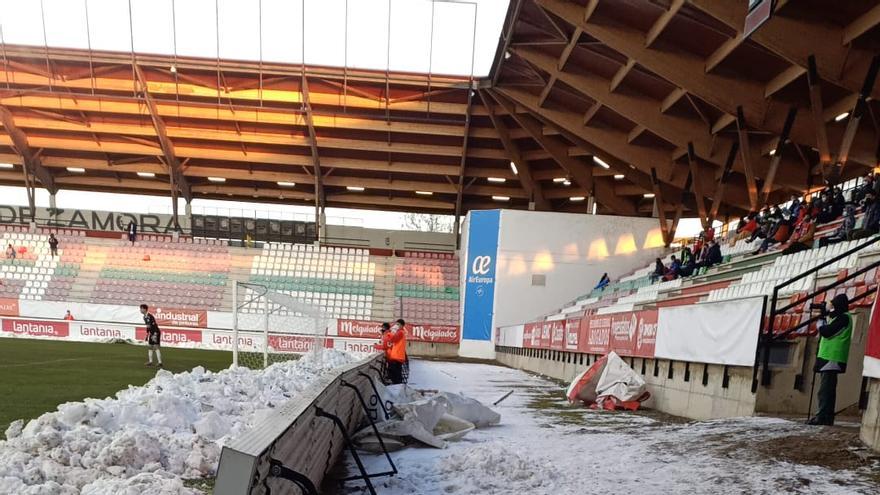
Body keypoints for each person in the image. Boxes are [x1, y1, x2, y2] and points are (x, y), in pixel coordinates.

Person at [808, 294, 853, 426]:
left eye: (833, 305)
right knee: (827, 388)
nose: (831, 308)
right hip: (829, 357)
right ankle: (825, 416)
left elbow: (827, 332)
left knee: (825, 389)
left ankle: (823, 416)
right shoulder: (840, 317)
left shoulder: (844, 318)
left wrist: (821, 321)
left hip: (832, 357)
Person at [140, 304, 163, 368]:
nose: (140, 310)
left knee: (156, 347)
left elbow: (155, 325)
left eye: (141, 309)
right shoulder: (144, 317)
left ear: (144, 309)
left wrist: (155, 334)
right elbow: (148, 326)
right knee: (150, 346)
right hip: (151, 333)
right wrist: (147, 334)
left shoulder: (150, 316)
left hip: (156, 332)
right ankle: (150, 361)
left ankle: (160, 362)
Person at [386, 319, 408, 384]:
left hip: (397, 357)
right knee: (397, 374)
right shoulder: (401, 332)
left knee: (396, 375)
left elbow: (392, 340)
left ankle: (397, 388)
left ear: (402, 325)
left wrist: (390, 333)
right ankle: (397, 387)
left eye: (398, 324)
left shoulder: (400, 332)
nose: (396, 326)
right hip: (398, 356)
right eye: (396, 324)